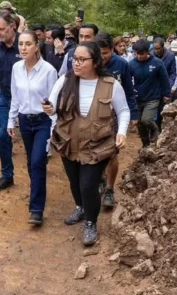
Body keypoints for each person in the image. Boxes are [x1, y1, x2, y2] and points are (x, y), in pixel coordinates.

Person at [44, 42, 130, 246]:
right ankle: (80, 207)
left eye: (82, 59)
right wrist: (49, 109)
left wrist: (122, 132)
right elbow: (53, 106)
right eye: (75, 59)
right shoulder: (65, 80)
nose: (77, 63)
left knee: (88, 184)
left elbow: (123, 110)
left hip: (97, 145)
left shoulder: (110, 84)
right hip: (68, 142)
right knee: (74, 181)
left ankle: (91, 221)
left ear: (95, 62)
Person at [8, 31, 58, 226]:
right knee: (31, 162)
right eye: (21, 44)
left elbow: (53, 102)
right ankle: (36, 188)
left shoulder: (48, 71)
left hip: (43, 121)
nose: (23, 48)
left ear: (37, 46)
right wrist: (11, 120)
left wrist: (53, 127)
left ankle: (36, 209)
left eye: (28, 44)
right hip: (24, 121)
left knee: (38, 161)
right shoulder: (16, 68)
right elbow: (15, 95)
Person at [96, 33, 138, 209]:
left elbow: (129, 90)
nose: (102, 57)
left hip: (114, 115)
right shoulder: (91, 63)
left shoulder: (122, 65)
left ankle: (110, 190)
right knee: (96, 152)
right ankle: (100, 178)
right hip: (94, 116)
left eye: (105, 53)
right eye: (99, 53)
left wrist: (133, 114)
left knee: (112, 153)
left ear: (112, 50)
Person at [0, 11, 21, 192]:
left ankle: (36, 175)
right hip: (6, 96)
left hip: (27, 99)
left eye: (1, 29)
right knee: (2, 136)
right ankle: (7, 175)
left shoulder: (25, 44)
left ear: (12, 27)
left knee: (32, 138)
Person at [129, 40, 171, 148]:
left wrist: (167, 94)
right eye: (136, 53)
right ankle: (145, 145)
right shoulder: (132, 64)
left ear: (148, 52)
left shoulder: (157, 63)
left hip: (153, 97)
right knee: (139, 123)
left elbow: (164, 79)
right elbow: (127, 81)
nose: (139, 56)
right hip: (138, 98)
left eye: (141, 54)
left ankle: (155, 129)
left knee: (146, 119)